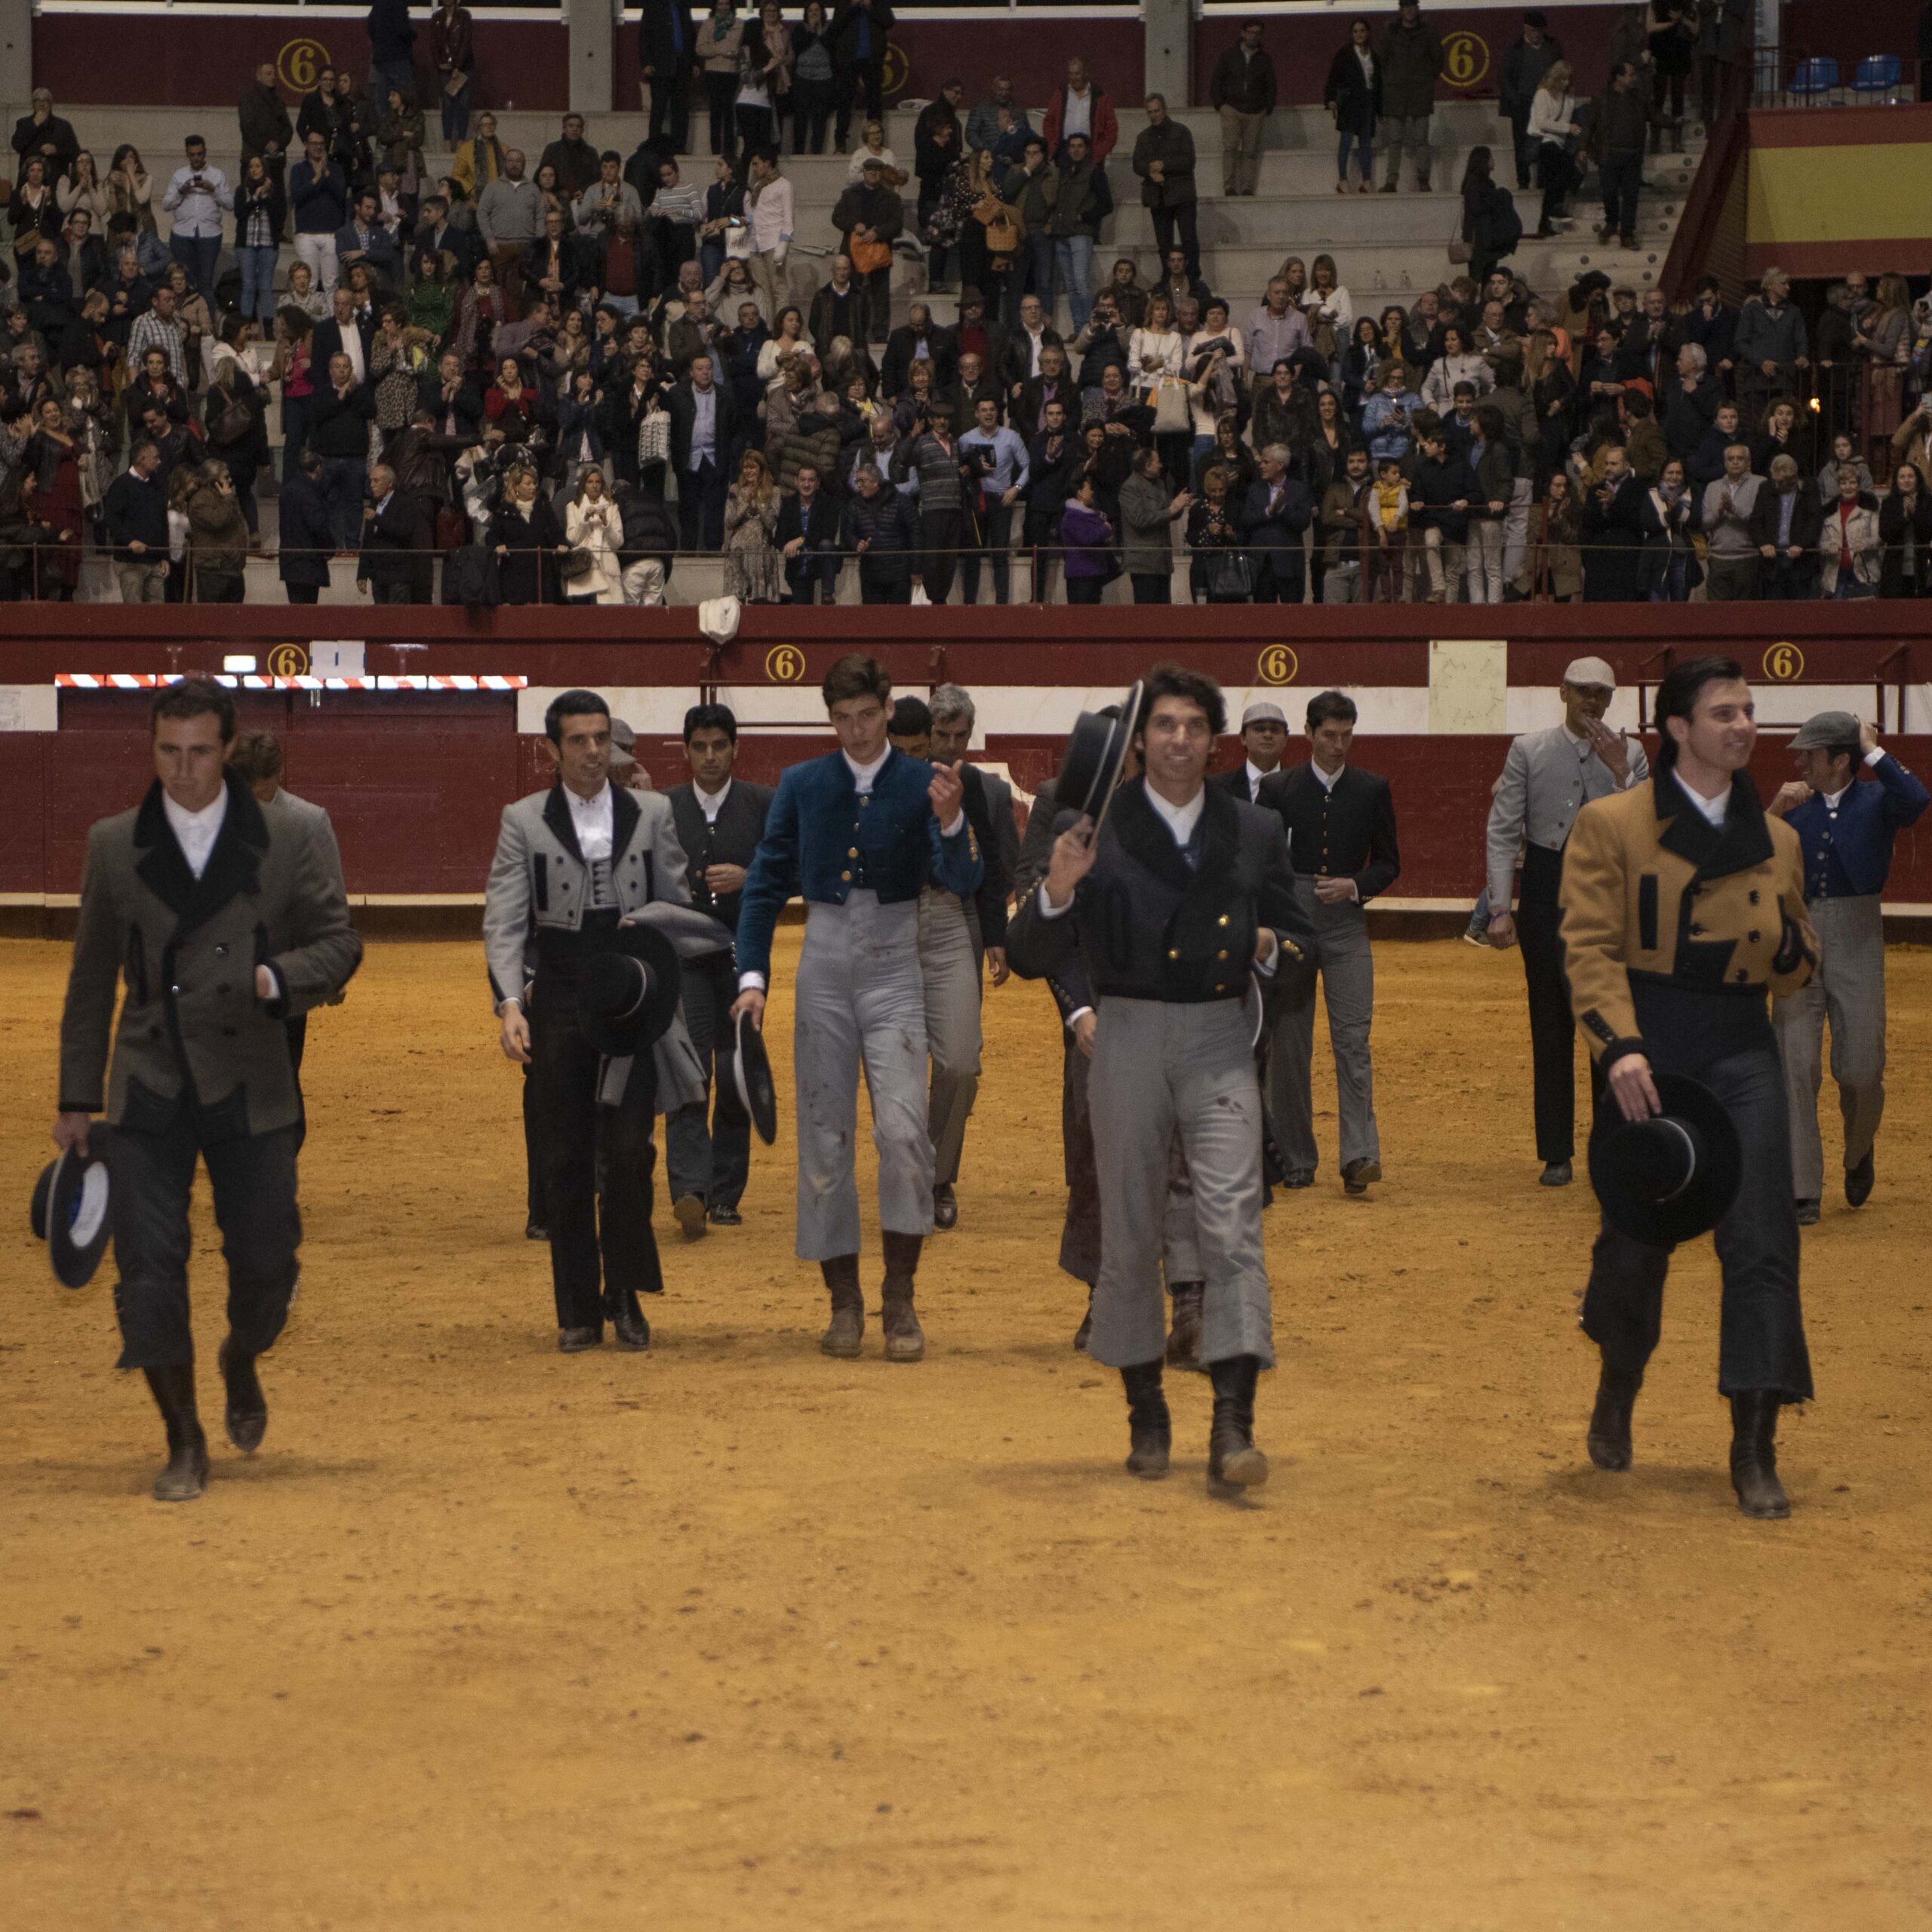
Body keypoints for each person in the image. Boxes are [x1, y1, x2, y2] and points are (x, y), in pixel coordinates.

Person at [54, 679, 361, 1500]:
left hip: (252, 1081)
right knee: (148, 1269)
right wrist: (77, 1101)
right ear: (152, 751)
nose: (183, 770)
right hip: (148, 1082)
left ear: (227, 750)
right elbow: (89, 982)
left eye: (199, 752)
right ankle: (184, 1436)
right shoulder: (115, 843)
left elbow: (339, 944)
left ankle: (239, 1353)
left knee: (267, 1262)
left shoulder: (291, 833)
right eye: (168, 752)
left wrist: (278, 977)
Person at [1008, 665, 1314, 1487]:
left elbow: (1300, 943)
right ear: (1139, 740)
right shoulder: (1090, 829)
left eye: (1192, 726)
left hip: (1218, 1033)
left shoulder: (1252, 828)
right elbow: (1027, 953)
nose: (1178, 739)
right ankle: (1146, 1410)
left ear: (1212, 741)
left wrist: (1267, 948)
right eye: (1164, 725)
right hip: (1129, 1029)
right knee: (1132, 1230)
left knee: (1232, 1226)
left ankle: (1232, 1425)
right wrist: (1056, 895)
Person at [1558, 656, 1819, 1518]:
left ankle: (1754, 1444)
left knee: (1762, 1240)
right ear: (1677, 729)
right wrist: (1619, 1048)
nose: (1743, 725)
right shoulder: (1612, 821)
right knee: (1638, 1240)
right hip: (1650, 1046)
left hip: (1742, 1047)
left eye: (1748, 711)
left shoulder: (1777, 839)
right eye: (1722, 713)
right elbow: (1589, 948)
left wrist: (1788, 950)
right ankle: (1617, 1385)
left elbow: (1797, 962)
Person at [730, 654, 981, 1361]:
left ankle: (899, 1297)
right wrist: (752, 975)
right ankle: (844, 1302)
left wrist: (954, 820)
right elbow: (766, 882)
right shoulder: (804, 783)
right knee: (824, 1139)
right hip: (825, 965)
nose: (857, 731)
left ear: (887, 706)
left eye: (867, 716)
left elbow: (963, 878)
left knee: (904, 1134)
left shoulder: (923, 781)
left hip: (896, 964)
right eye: (842, 719)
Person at [485, 691, 699, 1354]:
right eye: (577, 740)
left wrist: (666, 988)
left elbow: (676, 902)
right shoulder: (523, 820)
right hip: (559, 990)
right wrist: (510, 1004)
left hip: (632, 991)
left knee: (630, 1151)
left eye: (600, 738)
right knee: (566, 1154)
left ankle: (625, 1294)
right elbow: (505, 919)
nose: (592, 751)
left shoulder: (653, 812)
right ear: (551, 750)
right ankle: (578, 1305)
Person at [1484, 660, 1648, 1186]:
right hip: (1546, 884)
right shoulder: (1529, 749)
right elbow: (1504, 829)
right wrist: (1499, 908)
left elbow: (1645, 826)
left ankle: (1613, 1146)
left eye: (1601, 694)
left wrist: (1622, 770)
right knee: (1550, 1022)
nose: (1592, 703)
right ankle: (1556, 1151)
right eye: (1582, 692)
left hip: (1609, 886)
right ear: (1562, 691)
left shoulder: (1634, 753)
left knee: (1609, 1020)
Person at [1768, 713, 1928, 1224]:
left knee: (1861, 1068)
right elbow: (1752, 857)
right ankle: (1801, 1187)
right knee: (1794, 1064)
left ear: (1841, 760)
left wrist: (1873, 749)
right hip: (1798, 936)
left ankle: (1859, 1150)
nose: (1799, 763)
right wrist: (1774, 808)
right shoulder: (1794, 809)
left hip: (1858, 937)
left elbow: (1917, 800)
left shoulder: (1878, 800)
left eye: (1809, 755)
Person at [1257, 690, 1399, 1195]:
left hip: (1345, 924)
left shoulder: (1371, 789)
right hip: (1293, 922)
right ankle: (1295, 1157)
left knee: (1352, 1041)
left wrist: (1356, 886)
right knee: (1291, 1047)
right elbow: (1263, 859)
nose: (1340, 746)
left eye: (1347, 735)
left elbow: (1388, 862)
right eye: (1330, 735)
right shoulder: (1278, 789)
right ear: (1311, 733)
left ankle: (1360, 1154)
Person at [663, 705, 774, 1235]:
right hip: (682, 957)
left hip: (741, 956)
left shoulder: (762, 804)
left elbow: (793, 870)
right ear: (686, 751)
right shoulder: (662, 808)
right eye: (700, 747)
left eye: (719, 746)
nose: (710, 757)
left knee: (735, 1074)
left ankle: (725, 1193)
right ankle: (690, 1188)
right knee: (688, 1068)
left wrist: (752, 877)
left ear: (735, 749)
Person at [1131, 94, 1198, 283]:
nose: (1153, 115)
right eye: (1150, 112)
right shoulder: (1144, 136)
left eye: (1156, 110)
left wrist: (1164, 165)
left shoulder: (1181, 131)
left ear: (1165, 109)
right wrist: (1149, 171)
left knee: (1189, 240)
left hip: (1182, 194)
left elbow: (1188, 161)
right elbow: (1137, 164)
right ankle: (1168, 277)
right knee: (1163, 243)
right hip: (1157, 195)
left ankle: (1193, 277)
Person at [1378, 0, 1443, 192]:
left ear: (1417, 8)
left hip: (1420, 92)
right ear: (1400, 10)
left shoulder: (1429, 33)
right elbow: (1382, 61)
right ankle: (1391, 182)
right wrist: (1392, 80)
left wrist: (1425, 80)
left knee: (1421, 140)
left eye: (1412, 6)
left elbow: (1438, 60)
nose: (1409, 10)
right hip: (1396, 92)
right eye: (1406, 7)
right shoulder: (1390, 33)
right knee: (1395, 140)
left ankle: (1423, 180)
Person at [162, 136, 232, 312]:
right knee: (183, 282)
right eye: (192, 154)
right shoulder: (179, 175)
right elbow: (166, 205)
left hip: (210, 235)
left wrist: (213, 189)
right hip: (182, 234)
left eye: (200, 154)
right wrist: (181, 191)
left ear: (205, 152)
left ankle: (208, 328)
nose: (196, 158)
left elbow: (230, 204)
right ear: (187, 154)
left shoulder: (217, 175)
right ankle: (183, 322)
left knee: (206, 282)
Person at [1211, 21, 1277, 198]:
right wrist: (1221, 105)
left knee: (1250, 152)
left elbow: (1271, 85)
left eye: (1257, 33)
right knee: (1230, 148)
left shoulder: (1265, 59)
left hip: (1256, 111)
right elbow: (1217, 81)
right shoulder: (1228, 56)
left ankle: (1247, 187)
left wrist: (1267, 107)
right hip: (1232, 108)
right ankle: (1229, 187)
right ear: (1242, 33)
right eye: (1250, 32)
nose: (1253, 36)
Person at [1500, 11, 1563, 189]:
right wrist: (1515, 99)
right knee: (1521, 143)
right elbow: (1504, 77)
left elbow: (1562, 70)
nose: (1537, 35)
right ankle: (1524, 181)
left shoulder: (1552, 47)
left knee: (1546, 141)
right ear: (1526, 29)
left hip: (1547, 102)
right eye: (1533, 31)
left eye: (1540, 31)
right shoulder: (1515, 48)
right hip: (1523, 102)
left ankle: (1543, 181)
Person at [1591, 60, 1646, 251]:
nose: (1634, 78)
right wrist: (1583, 148)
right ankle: (1612, 223)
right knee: (1609, 193)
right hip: (1610, 153)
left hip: (1632, 155)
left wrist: (1674, 121)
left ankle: (1627, 234)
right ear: (1619, 77)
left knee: (1631, 196)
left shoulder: (1639, 98)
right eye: (1630, 74)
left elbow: (1654, 115)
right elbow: (1591, 124)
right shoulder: (1602, 98)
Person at [830, 0, 896, 155]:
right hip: (849, 59)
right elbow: (836, 25)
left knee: (874, 102)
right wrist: (852, 6)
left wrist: (870, 6)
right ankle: (840, 144)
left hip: (873, 59)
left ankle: (876, 141)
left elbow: (889, 22)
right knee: (845, 101)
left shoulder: (876, 3)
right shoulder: (845, 3)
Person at [1324, 17, 1381, 195]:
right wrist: (1330, 98)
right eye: (1356, 31)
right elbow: (1333, 78)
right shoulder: (1344, 54)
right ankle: (1342, 180)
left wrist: (1380, 108)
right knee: (1346, 142)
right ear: (1352, 34)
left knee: (1366, 143)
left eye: (1362, 30)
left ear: (1368, 33)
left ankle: (1366, 181)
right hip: (1350, 103)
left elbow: (1379, 83)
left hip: (1368, 103)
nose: (1359, 34)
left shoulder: (1374, 55)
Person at [1214, 700, 1291, 804]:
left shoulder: (1298, 788)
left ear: (1285, 740)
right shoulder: (1218, 788)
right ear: (1243, 738)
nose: (1268, 735)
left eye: (1275, 730)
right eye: (1259, 729)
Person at [430, 0, 476, 146]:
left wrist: (458, 66)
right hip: (445, 67)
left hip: (464, 67)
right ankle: (447, 140)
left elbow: (465, 42)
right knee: (447, 103)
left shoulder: (464, 16)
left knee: (463, 102)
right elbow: (433, 43)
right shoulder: (437, 17)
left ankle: (461, 139)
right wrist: (439, 63)